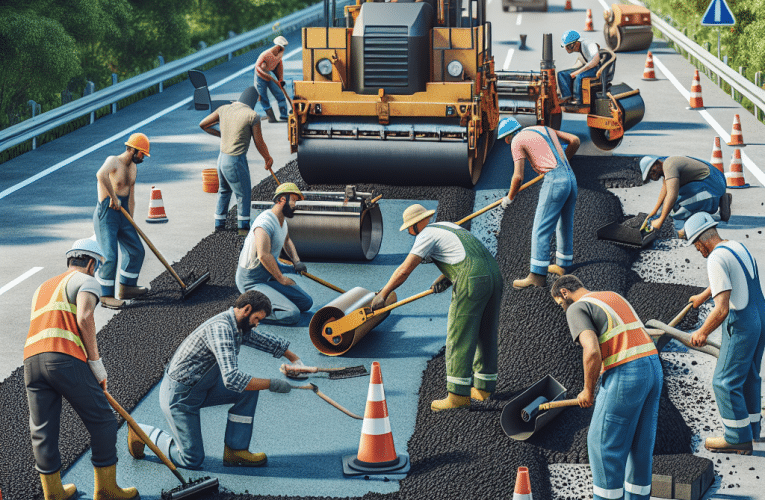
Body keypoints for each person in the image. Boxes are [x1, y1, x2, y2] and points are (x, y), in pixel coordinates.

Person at [128, 290, 306, 469]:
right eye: (257, 319)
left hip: (203, 388)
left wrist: (295, 360)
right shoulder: (221, 329)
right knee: (191, 459)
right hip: (180, 397)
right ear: (247, 309)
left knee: (248, 392)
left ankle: (236, 451)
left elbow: (263, 341)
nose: (257, 324)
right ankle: (143, 432)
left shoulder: (236, 325)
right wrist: (272, 384)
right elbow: (232, 379)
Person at [24, 238, 138, 500]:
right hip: (63, 359)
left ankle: (53, 493)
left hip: (31, 361)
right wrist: (97, 366)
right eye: (96, 266)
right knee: (104, 422)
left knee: (42, 430)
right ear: (90, 263)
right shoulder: (86, 280)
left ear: (69, 260)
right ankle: (107, 490)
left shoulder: (42, 287)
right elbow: (85, 317)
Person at [370, 204, 503, 411]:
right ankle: (484, 388)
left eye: (409, 228)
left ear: (415, 225)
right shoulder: (447, 226)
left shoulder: (425, 235)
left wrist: (383, 294)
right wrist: (447, 277)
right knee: (485, 331)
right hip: (494, 275)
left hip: (472, 281)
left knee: (459, 334)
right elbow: (464, 254)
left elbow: (405, 270)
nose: (409, 232)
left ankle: (458, 396)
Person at [551, 275, 662, 500]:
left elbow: (591, 351)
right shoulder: (612, 296)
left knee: (602, 447)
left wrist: (588, 390)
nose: (563, 310)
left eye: (561, 304)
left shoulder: (577, 308)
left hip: (626, 374)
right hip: (653, 370)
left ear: (564, 293)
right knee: (640, 447)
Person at [684, 212, 764, 452]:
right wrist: (703, 295)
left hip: (742, 323)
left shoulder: (714, 259)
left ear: (701, 240)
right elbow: (728, 278)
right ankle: (752, 430)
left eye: (695, 245)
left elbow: (721, 311)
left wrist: (702, 332)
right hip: (760, 315)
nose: (697, 251)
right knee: (749, 375)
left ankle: (736, 437)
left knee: (724, 381)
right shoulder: (736, 247)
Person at [497, 117, 580, 289]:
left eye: (505, 139)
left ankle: (536, 276)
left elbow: (518, 176)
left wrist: (509, 199)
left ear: (507, 137)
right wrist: (562, 163)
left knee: (540, 229)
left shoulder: (516, 141)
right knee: (564, 224)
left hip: (555, 181)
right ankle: (563, 266)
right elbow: (575, 140)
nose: (506, 142)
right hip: (570, 178)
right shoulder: (545, 129)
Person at [200, 86, 274, 235]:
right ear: (253, 101)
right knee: (243, 194)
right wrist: (268, 158)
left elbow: (203, 124)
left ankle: (219, 226)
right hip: (235, 160)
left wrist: (222, 135)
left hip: (221, 160)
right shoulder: (252, 116)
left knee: (224, 191)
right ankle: (243, 229)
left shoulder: (224, 109)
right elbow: (259, 142)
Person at [235, 183, 313, 324]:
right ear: (282, 200)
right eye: (293, 200)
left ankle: (269, 297)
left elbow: (287, 240)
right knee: (292, 314)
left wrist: (296, 261)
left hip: (267, 276)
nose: (295, 204)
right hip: (251, 281)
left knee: (306, 303)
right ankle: (249, 314)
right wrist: (281, 279)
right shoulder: (264, 223)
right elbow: (264, 255)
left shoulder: (282, 222)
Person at [93, 132, 151, 309]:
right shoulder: (113, 161)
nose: (143, 157)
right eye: (141, 153)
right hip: (107, 214)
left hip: (124, 214)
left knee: (137, 250)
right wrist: (113, 196)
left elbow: (131, 196)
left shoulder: (133, 168)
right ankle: (105, 295)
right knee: (109, 256)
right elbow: (100, 175)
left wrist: (131, 221)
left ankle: (127, 287)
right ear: (133, 149)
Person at [640, 155, 730, 238]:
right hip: (716, 182)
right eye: (650, 175)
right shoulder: (667, 163)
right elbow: (665, 189)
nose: (653, 176)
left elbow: (672, 195)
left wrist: (661, 220)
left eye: (652, 172)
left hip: (712, 186)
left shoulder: (669, 166)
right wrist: (654, 211)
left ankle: (690, 228)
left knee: (678, 206)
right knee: (673, 200)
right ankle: (722, 199)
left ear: (657, 163)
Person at [557, 30, 600, 107]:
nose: (566, 49)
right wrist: (569, 72)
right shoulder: (579, 49)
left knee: (578, 77)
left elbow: (595, 61)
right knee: (561, 74)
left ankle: (578, 100)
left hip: (596, 68)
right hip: (588, 67)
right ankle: (566, 97)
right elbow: (580, 62)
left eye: (568, 46)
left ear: (576, 43)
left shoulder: (589, 44)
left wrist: (577, 72)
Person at [255, 36, 289, 123]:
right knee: (263, 97)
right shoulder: (265, 54)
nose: (281, 49)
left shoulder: (280, 54)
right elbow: (258, 67)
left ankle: (284, 115)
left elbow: (279, 66)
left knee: (279, 93)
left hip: (269, 75)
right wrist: (265, 75)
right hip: (260, 77)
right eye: (279, 48)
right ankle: (271, 117)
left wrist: (280, 80)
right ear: (277, 46)